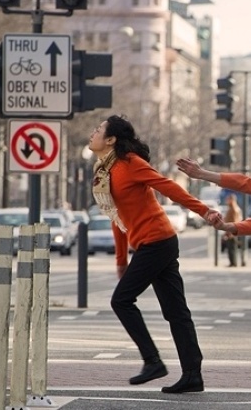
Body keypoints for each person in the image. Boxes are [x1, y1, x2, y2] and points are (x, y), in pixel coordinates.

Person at [88, 115, 222, 394]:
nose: (93, 132)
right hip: (151, 243)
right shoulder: (105, 171)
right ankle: (192, 375)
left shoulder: (130, 164)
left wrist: (204, 210)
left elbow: (169, 187)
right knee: (176, 312)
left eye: (98, 130)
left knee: (122, 301)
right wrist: (121, 259)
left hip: (158, 241)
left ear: (111, 139)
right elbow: (116, 216)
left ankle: (153, 361)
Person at [221, 194, 243, 266]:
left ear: (232, 200)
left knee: (232, 248)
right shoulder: (233, 208)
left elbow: (234, 220)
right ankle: (233, 262)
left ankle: (233, 263)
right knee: (231, 247)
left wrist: (231, 232)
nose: (227, 201)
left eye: (228, 199)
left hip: (232, 230)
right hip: (231, 230)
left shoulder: (233, 209)